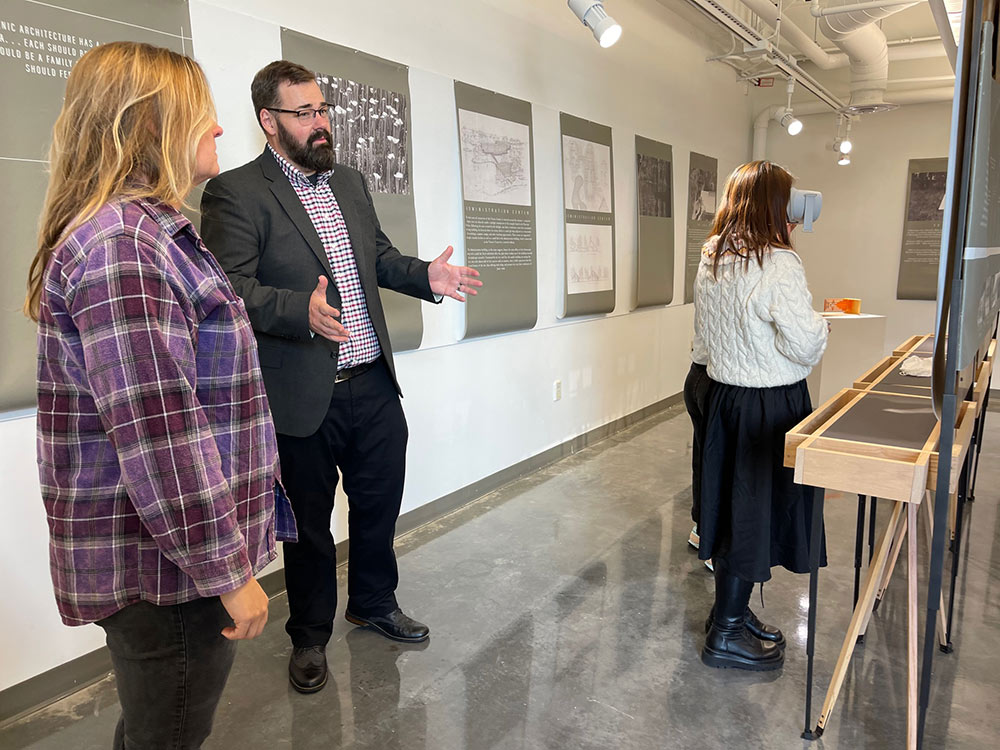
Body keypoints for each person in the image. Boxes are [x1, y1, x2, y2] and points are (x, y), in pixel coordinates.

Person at [24, 42, 290, 748]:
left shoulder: (143, 234)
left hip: (167, 558)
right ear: (151, 123)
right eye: (202, 112)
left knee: (156, 724)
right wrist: (229, 571)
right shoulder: (123, 247)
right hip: (166, 570)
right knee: (168, 732)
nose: (220, 128)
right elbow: (160, 435)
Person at [200, 60, 481, 694]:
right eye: (304, 113)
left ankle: (375, 602)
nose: (321, 122)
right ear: (270, 123)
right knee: (309, 524)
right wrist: (298, 311)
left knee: (379, 503)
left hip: (372, 381)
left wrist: (424, 277)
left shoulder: (350, 182)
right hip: (301, 394)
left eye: (323, 110)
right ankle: (309, 635)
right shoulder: (236, 194)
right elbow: (228, 290)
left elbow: (376, 257)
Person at [692, 160, 828, 672]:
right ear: (776, 204)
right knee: (754, 517)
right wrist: (821, 328)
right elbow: (805, 344)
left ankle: (731, 613)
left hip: (727, 400)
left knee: (735, 513)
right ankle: (725, 634)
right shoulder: (778, 263)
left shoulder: (713, 255)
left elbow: (704, 339)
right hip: (769, 405)